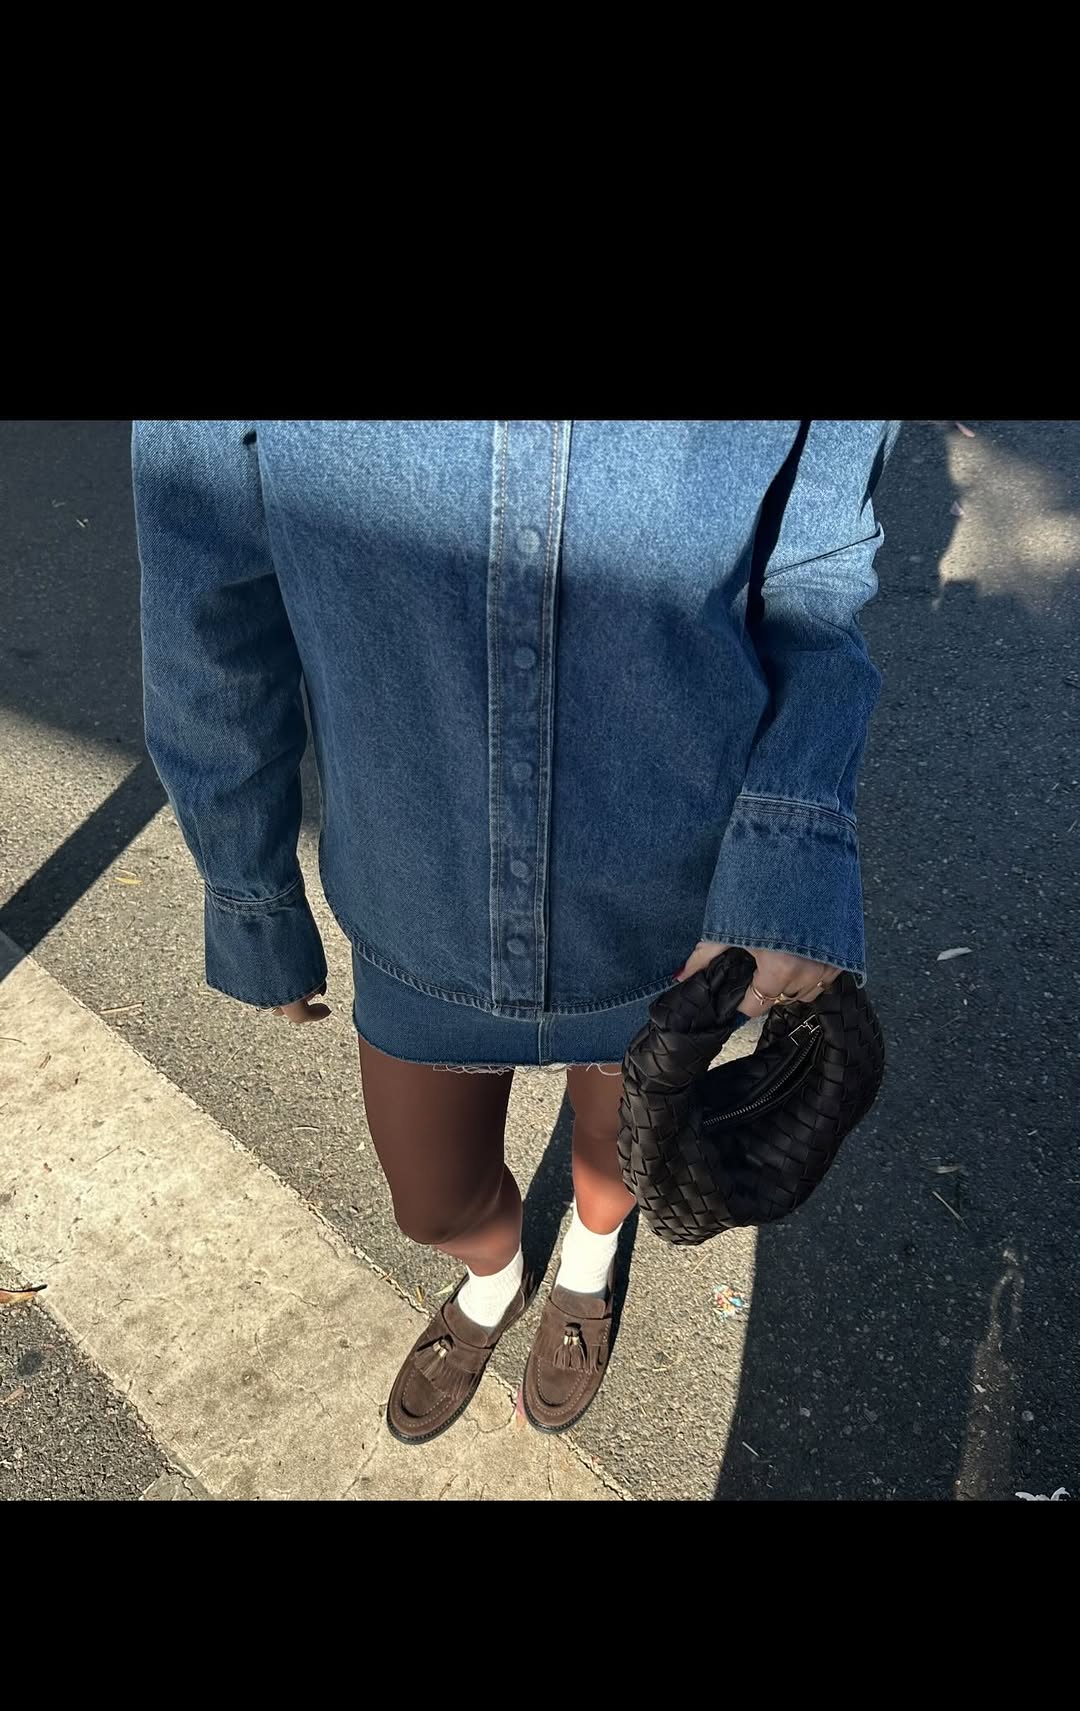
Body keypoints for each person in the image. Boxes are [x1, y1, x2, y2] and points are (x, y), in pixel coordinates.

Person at [133, 419, 902, 1446]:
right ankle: (492, 1278)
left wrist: (791, 855)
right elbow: (206, 596)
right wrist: (248, 894)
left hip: (665, 905)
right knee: (432, 1202)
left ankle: (586, 1265)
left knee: (621, 1158)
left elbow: (813, 572)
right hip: (416, 895)